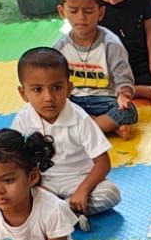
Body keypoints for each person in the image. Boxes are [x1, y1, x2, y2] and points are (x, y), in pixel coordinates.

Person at [12, 46, 120, 222]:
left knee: (111, 193)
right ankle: (70, 215)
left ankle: (59, 213)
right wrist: (35, 183)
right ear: (23, 93)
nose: (48, 97)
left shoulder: (80, 118)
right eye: (37, 89)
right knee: (13, 194)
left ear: (69, 88)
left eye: (56, 87)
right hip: (43, 184)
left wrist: (83, 190)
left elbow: (103, 163)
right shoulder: (22, 120)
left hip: (78, 181)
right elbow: (17, 161)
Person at [54, 0, 138, 138]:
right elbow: (55, 81)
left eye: (88, 11)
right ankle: (107, 126)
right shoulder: (60, 48)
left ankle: (84, 129)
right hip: (75, 101)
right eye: (73, 11)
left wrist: (124, 96)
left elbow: (123, 77)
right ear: (62, 11)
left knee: (128, 111)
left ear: (101, 12)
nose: (81, 17)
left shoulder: (111, 44)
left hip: (105, 100)